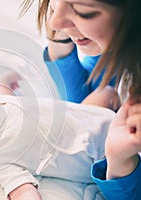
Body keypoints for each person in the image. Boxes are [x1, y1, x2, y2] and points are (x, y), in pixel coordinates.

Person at [20, 0, 141, 199]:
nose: (54, 22)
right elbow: (83, 111)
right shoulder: (118, 48)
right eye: (54, 3)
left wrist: (119, 160)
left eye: (83, 12)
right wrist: (60, 45)